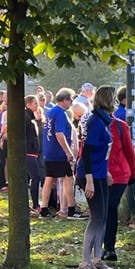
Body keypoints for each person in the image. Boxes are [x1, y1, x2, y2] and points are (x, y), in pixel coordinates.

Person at [75, 86, 117, 269]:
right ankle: (85, 262)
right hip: (91, 175)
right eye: (114, 98)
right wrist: (90, 180)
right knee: (96, 218)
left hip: (100, 173)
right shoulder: (96, 122)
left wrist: (106, 171)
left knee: (103, 217)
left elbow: (102, 151)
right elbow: (88, 153)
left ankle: (97, 259)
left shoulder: (104, 120)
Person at [104, 97, 135, 262]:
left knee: (110, 208)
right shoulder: (94, 124)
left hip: (118, 174)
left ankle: (109, 247)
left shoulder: (120, 126)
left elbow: (129, 151)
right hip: (101, 173)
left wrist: (133, 172)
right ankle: (104, 247)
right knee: (103, 210)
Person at [40, 88, 77, 218]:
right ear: (65, 99)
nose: (71, 103)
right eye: (71, 100)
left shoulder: (50, 112)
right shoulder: (61, 113)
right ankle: (71, 209)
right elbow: (59, 133)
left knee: (49, 179)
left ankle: (43, 209)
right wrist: (68, 151)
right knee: (68, 179)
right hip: (59, 153)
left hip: (49, 151)